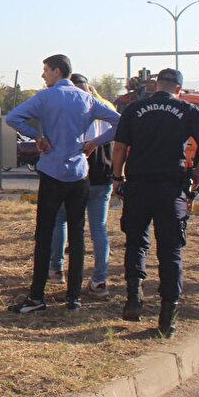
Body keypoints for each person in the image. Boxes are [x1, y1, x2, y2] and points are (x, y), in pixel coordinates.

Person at [6, 54, 120, 313]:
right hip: (79, 173)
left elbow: (14, 118)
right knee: (78, 236)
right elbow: (119, 122)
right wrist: (95, 142)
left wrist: (38, 136)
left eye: (45, 70)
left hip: (52, 171)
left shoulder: (45, 97)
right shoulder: (88, 99)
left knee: (45, 234)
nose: (43, 75)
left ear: (57, 71)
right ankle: (74, 297)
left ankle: (37, 297)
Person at [111, 68, 199, 338]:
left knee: (136, 242)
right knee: (170, 252)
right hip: (171, 188)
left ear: (156, 85)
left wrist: (117, 177)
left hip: (138, 184)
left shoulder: (135, 109)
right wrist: (198, 174)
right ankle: (167, 317)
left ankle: (134, 298)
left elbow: (120, 147)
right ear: (179, 88)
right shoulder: (187, 109)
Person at [47, 73, 116, 300]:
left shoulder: (73, 109)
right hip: (103, 175)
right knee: (99, 228)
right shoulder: (104, 106)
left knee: (61, 220)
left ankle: (57, 268)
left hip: (77, 176)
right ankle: (99, 279)